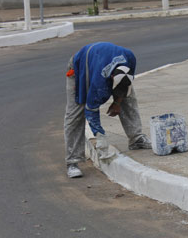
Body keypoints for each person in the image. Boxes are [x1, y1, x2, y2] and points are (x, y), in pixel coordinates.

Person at [64, 42, 151, 178]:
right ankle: (72, 162)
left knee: (129, 97)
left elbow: (124, 85)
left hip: (100, 60)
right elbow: (91, 110)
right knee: (75, 113)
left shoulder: (130, 58)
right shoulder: (98, 83)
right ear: (110, 79)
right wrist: (100, 136)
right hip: (79, 69)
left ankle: (136, 139)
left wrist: (117, 102)